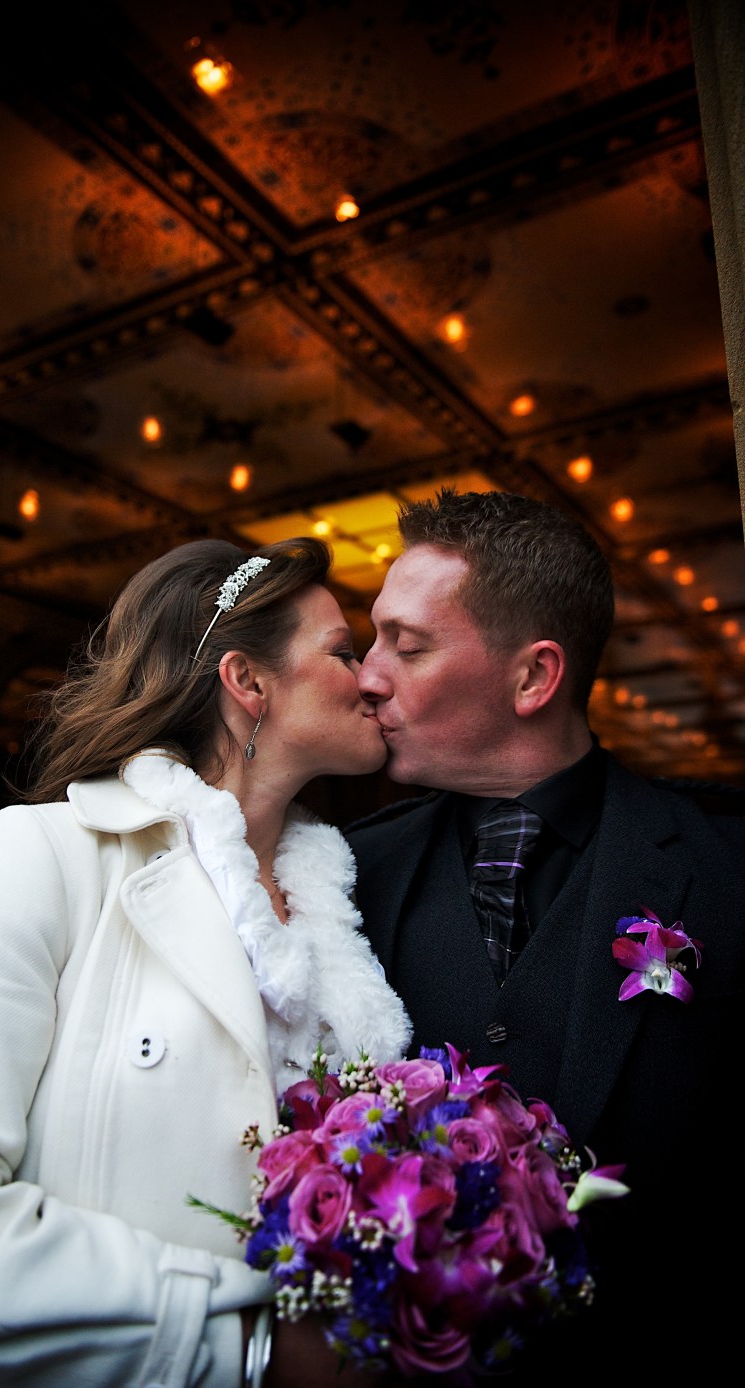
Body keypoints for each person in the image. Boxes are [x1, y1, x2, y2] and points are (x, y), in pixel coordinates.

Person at [0, 536, 414, 1388]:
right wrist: (246, 1348)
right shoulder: (38, 857)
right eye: (343, 650)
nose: (370, 677)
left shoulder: (347, 912)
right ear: (248, 683)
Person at [345, 487, 745, 1383]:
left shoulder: (727, 866)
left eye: (405, 646)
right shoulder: (340, 875)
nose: (367, 675)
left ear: (534, 678)